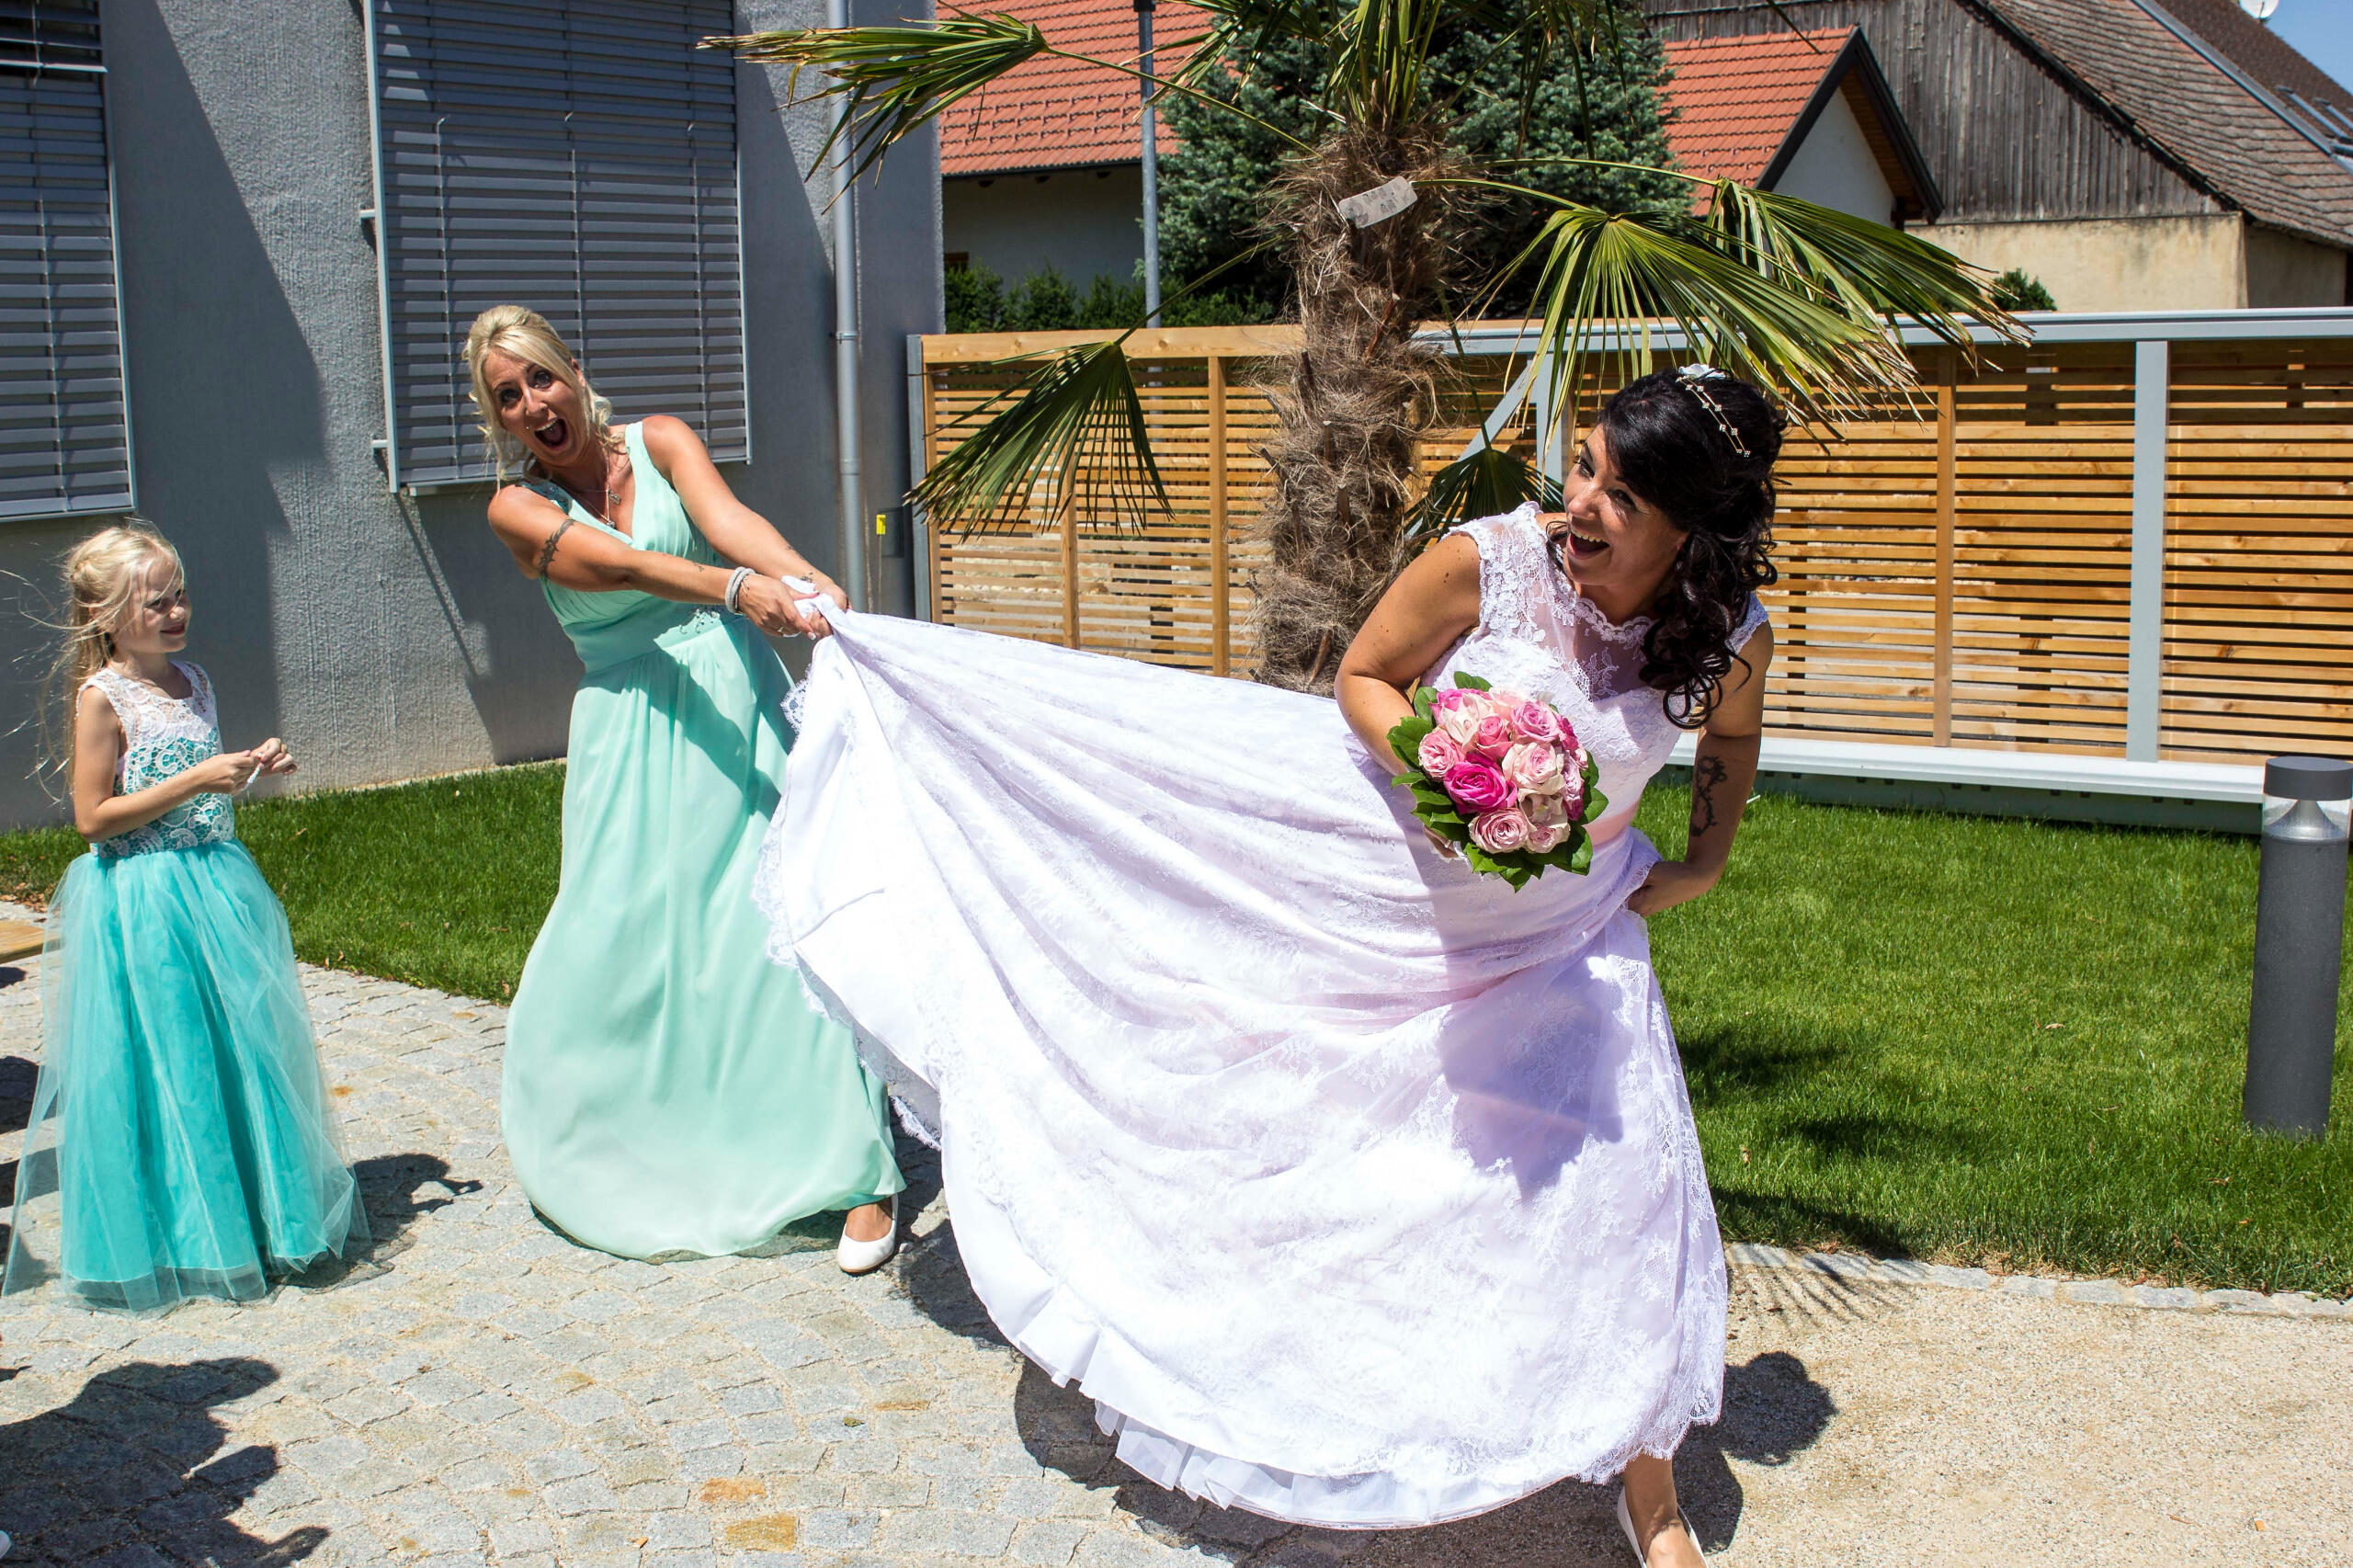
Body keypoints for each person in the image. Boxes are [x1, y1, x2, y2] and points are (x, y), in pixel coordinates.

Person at [756, 367, 1779, 1562]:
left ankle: (1647, 1485)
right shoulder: (1489, 561)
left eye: (1622, 495)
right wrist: (1455, 770)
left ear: (1690, 529)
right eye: (1587, 464)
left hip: (1569, 934)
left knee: (1619, 1195)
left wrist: (1703, 860)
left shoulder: (1726, 632)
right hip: (1396, 910)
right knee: (1309, 1139)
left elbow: (1731, 735)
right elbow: (1364, 677)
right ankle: (1290, 1361)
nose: (1582, 503)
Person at [462, 305, 903, 1270]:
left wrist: (808, 581)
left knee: (782, 920)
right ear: (498, 418)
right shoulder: (514, 509)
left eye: (540, 377)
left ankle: (857, 1170)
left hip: (733, 698)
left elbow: (727, 522)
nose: (532, 403)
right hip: (629, 731)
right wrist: (738, 589)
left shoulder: (660, 439)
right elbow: (621, 565)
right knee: (625, 941)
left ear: (575, 372)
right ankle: (663, 1137)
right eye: (508, 395)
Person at [2, 525, 367, 1314]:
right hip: (144, 901)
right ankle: (189, 1238)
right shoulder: (102, 698)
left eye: (181, 596)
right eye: (155, 602)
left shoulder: (194, 679)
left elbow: (198, 782)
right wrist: (199, 778)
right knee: (171, 1059)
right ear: (104, 616)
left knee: (241, 1049)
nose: (176, 612)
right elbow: (94, 818)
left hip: (214, 886)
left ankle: (268, 1218)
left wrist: (248, 767)